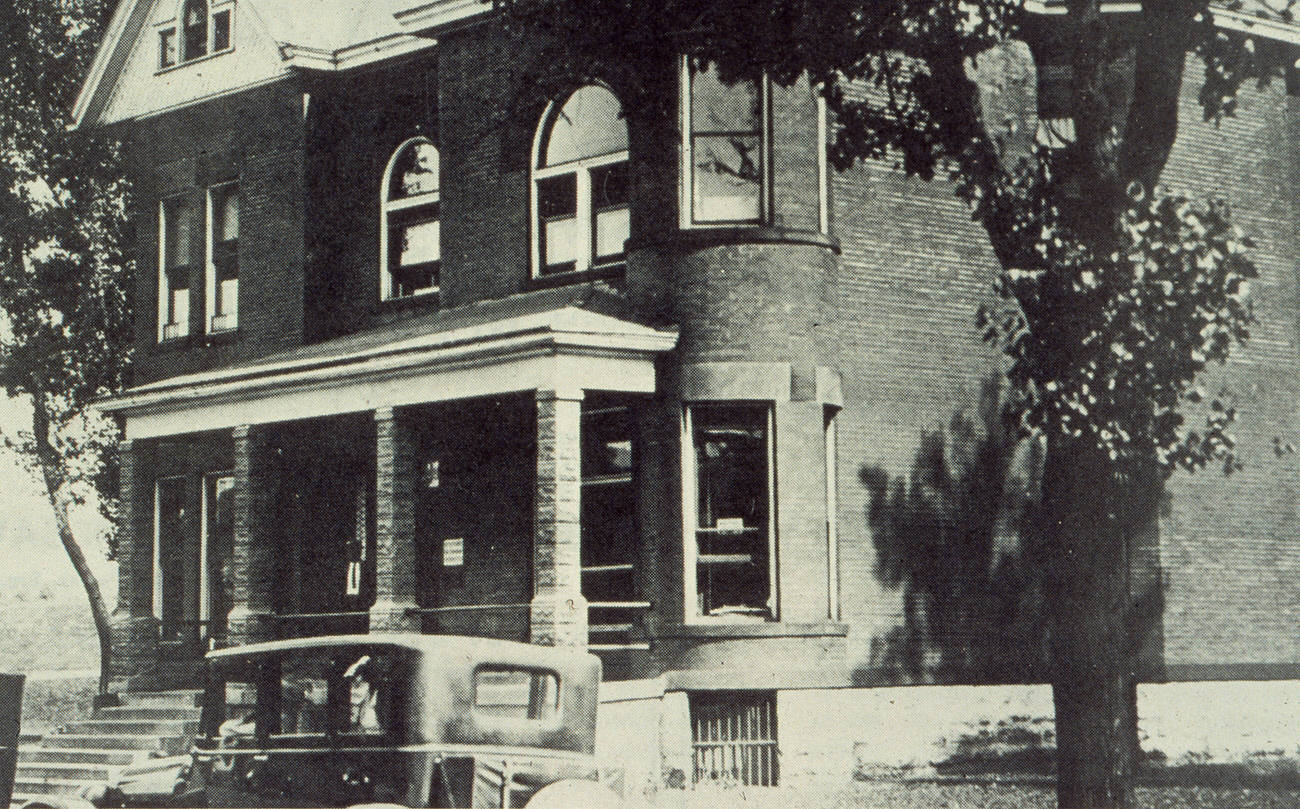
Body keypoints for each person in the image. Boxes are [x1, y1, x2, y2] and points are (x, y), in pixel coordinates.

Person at [344, 655, 382, 732]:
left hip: (363, 693)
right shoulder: (356, 671)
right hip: (358, 694)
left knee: (364, 712)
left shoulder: (366, 684)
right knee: (355, 712)